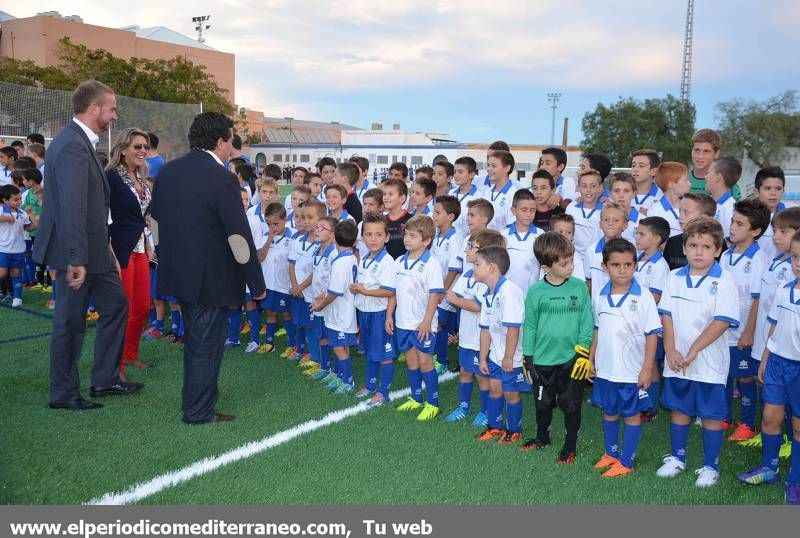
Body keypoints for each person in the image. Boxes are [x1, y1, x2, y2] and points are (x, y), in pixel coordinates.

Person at [150, 111, 266, 424]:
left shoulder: (168, 171)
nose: (232, 147)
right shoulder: (222, 178)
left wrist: (164, 255)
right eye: (231, 140)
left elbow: (154, 221)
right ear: (220, 141)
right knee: (205, 344)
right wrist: (256, 282)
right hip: (210, 278)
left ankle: (201, 396)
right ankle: (198, 410)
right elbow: (238, 236)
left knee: (198, 340)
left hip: (176, 272)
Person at [33, 80, 137, 411]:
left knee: (117, 304)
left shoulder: (80, 142)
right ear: (94, 109)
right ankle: (63, 393)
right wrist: (76, 257)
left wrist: (104, 248)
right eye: (112, 108)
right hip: (74, 253)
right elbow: (72, 206)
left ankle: (105, 378)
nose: (115, 115)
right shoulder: (73, 145)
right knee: (69, 322)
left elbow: (91, 206)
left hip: (94, 249)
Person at [656, 216, 740, 487]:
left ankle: (710, 466)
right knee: (680, 408)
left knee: (711, 415)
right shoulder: (674, 277)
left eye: (706, 246)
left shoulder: (725, 281)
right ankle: (677, 458)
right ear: (684, 248)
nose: (698, 252)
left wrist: (693, 350)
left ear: (718, 250)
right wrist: (670, 348)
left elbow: (722, 321)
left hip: (709, 361)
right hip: (677, 359)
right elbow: (666, 315)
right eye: (693, 245)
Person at [737, 230, 800, 505]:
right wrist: (764, 358)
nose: (798, 263)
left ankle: (795, 480)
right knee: (770, 418)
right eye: (796, 256)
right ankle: (769, 468)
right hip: (776, 362)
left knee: (798, 427)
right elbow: (774, 324)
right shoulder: (785, 289)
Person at [589, 238, 661, 477]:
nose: (622, 270)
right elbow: (597, 329)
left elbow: (652, 334)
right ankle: (610, 453)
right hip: (606, 370)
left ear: (635, 266)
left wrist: (647, 368)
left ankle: (626, 461)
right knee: (609, 411)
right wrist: (592, 360)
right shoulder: (600, 295)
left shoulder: (643, 297)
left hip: (631, 371)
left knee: (631, 414)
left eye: (628, 265)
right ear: (604, 266)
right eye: (616, 265)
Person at [522, 232, 593, 463]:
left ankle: (570, 445)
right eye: (564, 263)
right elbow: (530, 326)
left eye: (571, 260)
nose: (570, 266)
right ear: (545, 267)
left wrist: (583, 353)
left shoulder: (580, 288)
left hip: (571, 360)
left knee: (572, 406)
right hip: (542, 361)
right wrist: (528, 357)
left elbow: (586, 322)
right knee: (543, 405)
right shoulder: (535, 292)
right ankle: (542, 438)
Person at [106, 128, 156, 381]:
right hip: (120, 251)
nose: (142, 151)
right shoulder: (111, 178)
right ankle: (117, 368)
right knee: (122, 310)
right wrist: (110, 252)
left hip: (141, 250)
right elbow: (103, 217)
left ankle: (130, 355)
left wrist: (149, 245)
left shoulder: (141, 177)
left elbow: (143, 217)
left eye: (145, 147)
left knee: (142, 307)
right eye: (137, 146)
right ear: (123, 148)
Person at [720, 199, 770, 440]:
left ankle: (748, 424)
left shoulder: (758, 259)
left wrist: (749, 331)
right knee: (726, 373)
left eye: (739, 224)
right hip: (724, 330)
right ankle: (725, 417)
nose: (732, 227)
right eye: (732, 221)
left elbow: (758, 300)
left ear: (755, 231)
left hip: (744, 332)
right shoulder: (726, 255)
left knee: (746, 376)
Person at [388, 215, 445, 421]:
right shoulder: (399, 261)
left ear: (426, 240)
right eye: (406, 235)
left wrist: (427, 321)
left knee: (425, 363)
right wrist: (389, 315)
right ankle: (416, 398)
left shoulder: (432, 264)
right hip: (403, 322)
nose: (407, 239)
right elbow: (394, 292)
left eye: (413, 236)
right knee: (411, 361)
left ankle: (434, 403)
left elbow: (435, 295)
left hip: (423, 324)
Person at [444, 229, 503, 425]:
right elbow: (457, 297)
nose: (467, 250)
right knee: (465, 371)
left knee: (481, 375)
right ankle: (464, 407)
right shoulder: (468, 273)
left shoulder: (486, 279)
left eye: (471, 247)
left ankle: (486, 411)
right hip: (467, 335)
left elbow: (476, 306)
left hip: (481, 337)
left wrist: (454, 299)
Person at [474, 245, 530, 445]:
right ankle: (494, 426)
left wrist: (508, 356)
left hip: (511, 356)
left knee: (511, 392)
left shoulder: (509, 292)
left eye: (477, 264)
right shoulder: (487, 293)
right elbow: (485, 329)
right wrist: (483, 357)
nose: (473, 267)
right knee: (494, 388)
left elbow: (513, 329)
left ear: (491, 267)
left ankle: (514, 430)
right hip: (495, 355)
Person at [351, 213, 397, 408]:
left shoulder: (388, 262)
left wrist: (364, 291)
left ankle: (384, 392)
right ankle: (370, 386)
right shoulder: (365, 259)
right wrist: (357, 288)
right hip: (365, 313)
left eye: (378, 235)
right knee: (370, 351)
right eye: (369, 234)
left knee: (384, 354)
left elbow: (389, 291)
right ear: (362, 237)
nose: (373, 239)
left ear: (386, 237)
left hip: (379, 315)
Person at [312, 220, 359, 393]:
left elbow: (335, 293)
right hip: (343, 311)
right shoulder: (350, 257)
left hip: (340, 313)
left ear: (334, 238)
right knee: (342, 345)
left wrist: (321, 305)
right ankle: (340, 376)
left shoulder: (340, 263)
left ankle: (348, 381)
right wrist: (324, 295)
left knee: (339, 347)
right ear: (354, 242)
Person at [633, 216, 672, 416]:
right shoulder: (638, 259)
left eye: (641, 234)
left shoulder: (660, 266)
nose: (636, 237)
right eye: (637, 233)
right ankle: (640, 399)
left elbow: (655, 297)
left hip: (649, 324)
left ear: (656, 239)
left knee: (653, 365)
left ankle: (651, 406)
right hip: (635, 322)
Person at [257, 203, 295, 354]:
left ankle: (293, 345)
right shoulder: (265, 237)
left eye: (276, 224)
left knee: (287, 313)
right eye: (269, 224)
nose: (272, 227)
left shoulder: (292, 236)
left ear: (285, 220)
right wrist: (269, 239)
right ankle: (269, 343)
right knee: (270, 312)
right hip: (268, 284)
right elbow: (260, 257)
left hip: (284, 285)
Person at [430, 195, 461, 374]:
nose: (434, 215)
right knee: (438, 324)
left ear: (450, 216)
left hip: (448, 291)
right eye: (434, 211)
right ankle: (438, 356)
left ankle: (441, 360)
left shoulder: (455, 238)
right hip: (437, 289)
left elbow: (454, 269)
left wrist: (442, 291)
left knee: (440, 324)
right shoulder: (436, 235)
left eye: (437, 212)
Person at [307, 216, 339, 380]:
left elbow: (335, 279)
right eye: (316, 227)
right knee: (322, 336)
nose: (316, 230)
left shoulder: (334, 253)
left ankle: (338, 372)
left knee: (333, 337)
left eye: (322, 228)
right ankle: (325, 367)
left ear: (333, 234)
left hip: (329, 303)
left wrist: (324, 296)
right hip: (317, 302)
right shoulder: (316, 250)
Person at [1, 184, 37, 307]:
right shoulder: (1, 209)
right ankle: (6, 293)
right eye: (16, 199)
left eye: (20, 199)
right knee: (2, 273)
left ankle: (17, 297)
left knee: (16, 273)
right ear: (5, 200)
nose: (19, 202)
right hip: (3, 249)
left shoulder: (22, 213)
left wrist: (31, 215)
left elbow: (30, 227)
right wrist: (6, 218)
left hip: (18, 249)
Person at [502, 189, 543, 292]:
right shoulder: (503, 235)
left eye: (532, 210)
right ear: (514, 211)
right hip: (508, 292)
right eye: (524, 210)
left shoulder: (541, 235)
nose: (528, 214)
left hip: (533, 293)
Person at [585, 202, 628, 300]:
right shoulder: (591, 251)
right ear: (600, 224)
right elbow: (589, 282)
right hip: (597, 308)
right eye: (606, 220)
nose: (610, 223)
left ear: (625, 225)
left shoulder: (630, 251)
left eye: (616, 220)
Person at [663, 192, 717, 270]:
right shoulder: (672, 242)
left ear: (705, 217)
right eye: (680, 211)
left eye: (686, 212)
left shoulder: (718, 242)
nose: (680, 217)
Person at [565, 168, 604, 267]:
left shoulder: (605, 211)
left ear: (600, 188)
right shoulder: (571, 208)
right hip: (572, 259)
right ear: (579, 188)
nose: (588, 190)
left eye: (593, 186)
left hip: (595, 260)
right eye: (584, 186)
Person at [754, 166, 790, 260]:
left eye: (778, 188)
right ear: (756, 192)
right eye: (768, 188)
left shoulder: (791, 216)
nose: (773, 193)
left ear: (783, 191)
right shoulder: (748, 215)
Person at [648, 162, 691, 239]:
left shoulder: (690, 206)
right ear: (671, 185)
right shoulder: (655, 210)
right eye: (685, 180)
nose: (690, 184)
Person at [485, 150, 519, 232]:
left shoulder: (514, 194)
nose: (489, 169)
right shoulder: (488, 192)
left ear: (507, 168)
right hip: (486, 241)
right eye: (488, 165)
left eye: (493, 166)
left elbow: (512, 226)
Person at [449, 157, 481, 237]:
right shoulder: (451, 193)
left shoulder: (479, 197)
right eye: (455, 172)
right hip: (450, 238)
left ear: (471, 174)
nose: (456, 175)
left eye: (460, 172)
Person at [381, 178, 412, 258]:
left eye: (390, 194)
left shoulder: (411, 221)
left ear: (402, 198)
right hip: (385, 267)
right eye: (384, 194)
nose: (386, 197)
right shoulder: (381, 221)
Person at [609, 172, 642, 243]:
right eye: (616, 191)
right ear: (610, 194)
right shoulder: (603, 219)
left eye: (626, 191)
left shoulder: (643, 221)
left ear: (634, 194)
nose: (621, 195)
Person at [630, 149, 662, 214]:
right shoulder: (622, 194)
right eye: (633, 166)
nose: (635, 169)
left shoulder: (662, 197)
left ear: (653, 171)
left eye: (641, 166)